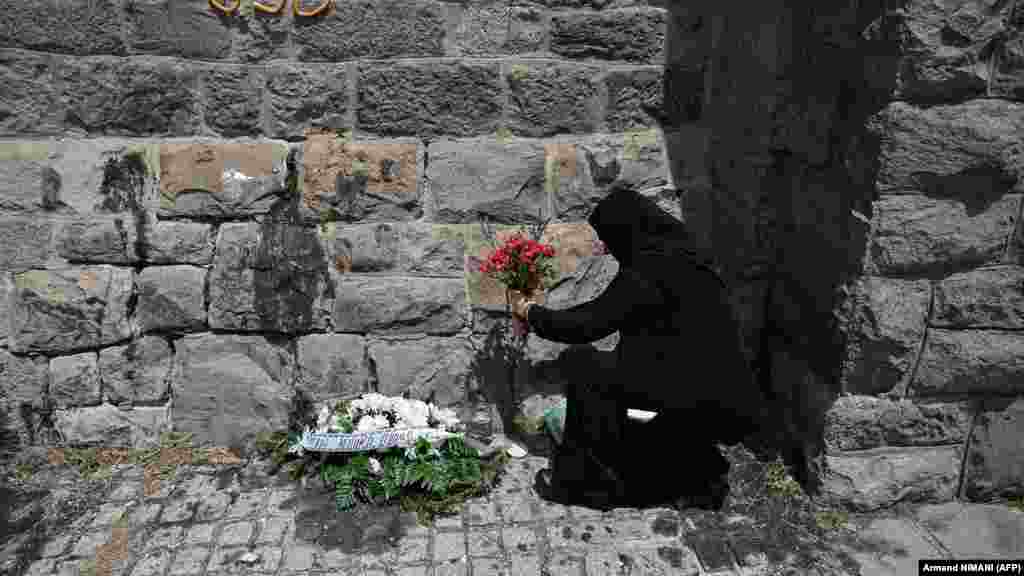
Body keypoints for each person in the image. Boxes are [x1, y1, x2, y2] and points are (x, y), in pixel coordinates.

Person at [509, 185, 767, 510]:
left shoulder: (646, 273)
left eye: (609, 237)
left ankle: (577, 484)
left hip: (676, 407)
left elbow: (586, 324)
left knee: (586, 372)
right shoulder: (688, 257)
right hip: (724, 402)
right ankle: (688, 475)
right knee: (619, 373)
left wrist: (530, 312)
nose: (606, 246)